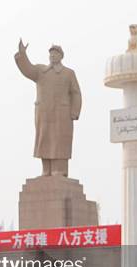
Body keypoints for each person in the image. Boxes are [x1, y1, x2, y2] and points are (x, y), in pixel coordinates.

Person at [14, 39, 82, 177]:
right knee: (44, 139)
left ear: (61, 56)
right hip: (44, 112)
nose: (52, 56)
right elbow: (27, 69)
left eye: (55, 54)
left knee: (60, 140)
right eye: (51, 54)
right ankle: (46, 170)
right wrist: (22, 54)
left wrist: (75, 111)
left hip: (62, 113)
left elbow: (76, 93)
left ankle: (59, 170)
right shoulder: (40, 71)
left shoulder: (68, 73)